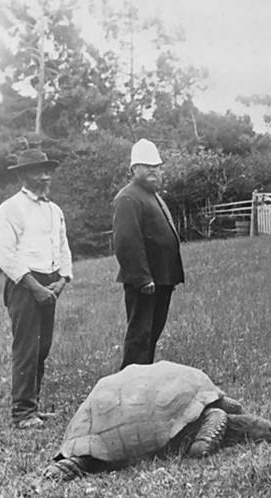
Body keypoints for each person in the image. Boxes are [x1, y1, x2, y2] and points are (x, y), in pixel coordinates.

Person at [0, 148, 72, 429]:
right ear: (23, 175)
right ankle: (22, 412)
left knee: (43, 347)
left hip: (50, 283)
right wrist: (34, 286)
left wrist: (63, 279)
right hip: (24, 285)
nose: (46, 175)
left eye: (48, 170)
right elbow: (4, 254)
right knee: (26, 348)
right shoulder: (9, 209)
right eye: (39, 170)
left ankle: (33, 406)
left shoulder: (54, 209)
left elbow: (62, 246)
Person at [112, 138, 184, 369]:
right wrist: (143, 278)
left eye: (157, 166)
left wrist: (169, 276)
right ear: (134, 169)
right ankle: (130, 385)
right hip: (145, 282)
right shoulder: (128, 197)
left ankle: (144, 382)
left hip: (162, 279)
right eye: (147, 165)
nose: (153, 170)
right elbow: (126, 241)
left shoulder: (152, 195)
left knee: (151, 335)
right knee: (139, 337)